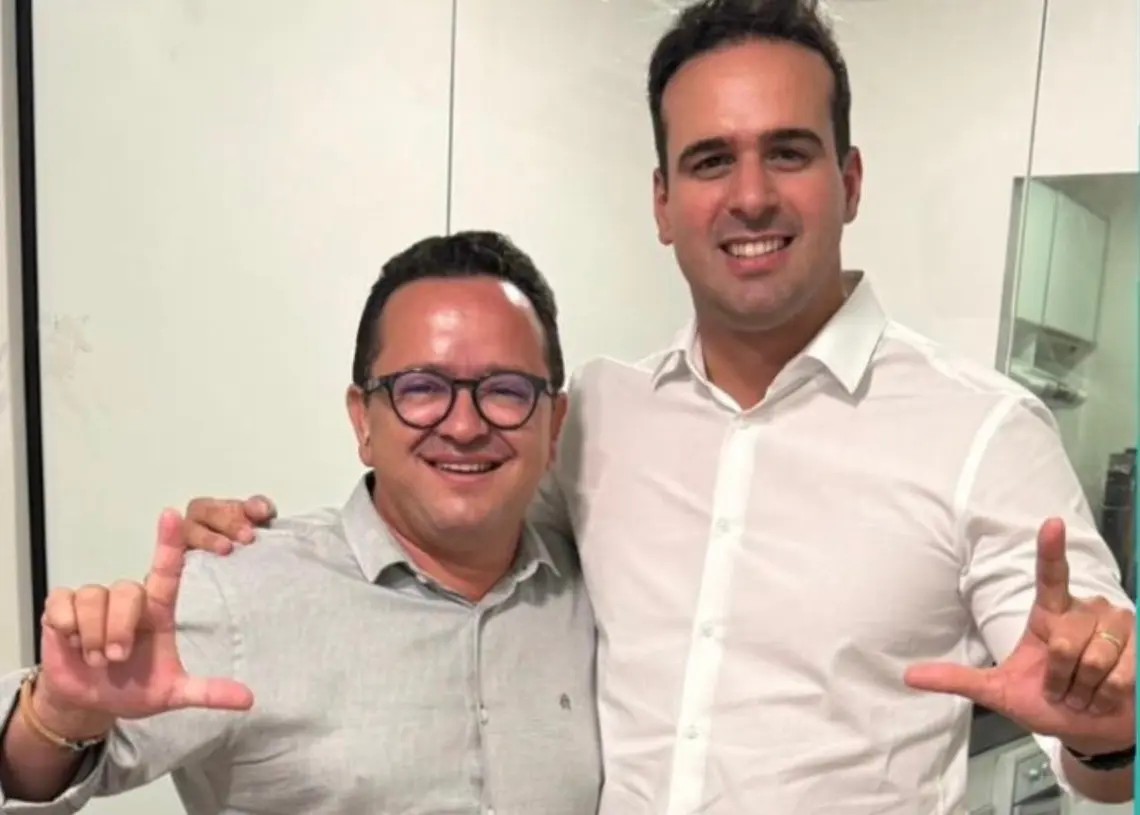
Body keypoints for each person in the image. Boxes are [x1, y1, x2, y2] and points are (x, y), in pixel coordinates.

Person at [180, 1, 1137, 812]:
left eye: (789, 152)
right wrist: (260, 556)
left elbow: (1095, 725)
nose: (751, 196)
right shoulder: (599, 415)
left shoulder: (984, 434)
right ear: (663, 200)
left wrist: (1106, 731)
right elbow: (452, 522)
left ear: (849, 182)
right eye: (711, 160)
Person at [0, 231, 602, 814]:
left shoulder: (595, 588)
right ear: (363, 421)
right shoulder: (241, 590)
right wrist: (58, 718)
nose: (465, 426)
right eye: (420, 388)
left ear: (554, 423)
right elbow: (23, 779)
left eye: (506, 390)